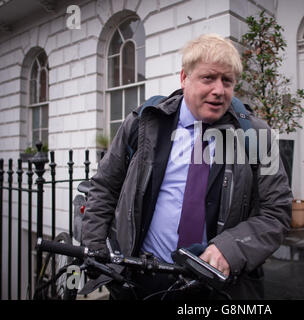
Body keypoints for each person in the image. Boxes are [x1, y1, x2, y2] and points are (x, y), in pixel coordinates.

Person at [81, 33, 292, 300]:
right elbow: (104, 186)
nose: (219, 90)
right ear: (184, 78)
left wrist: (230, 249)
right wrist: (98, 253)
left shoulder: (256, 135)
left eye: (227, 81)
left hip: (215, 287)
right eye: (208, 78)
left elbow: (277, 213)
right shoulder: (144, 122)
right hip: (138, 279)